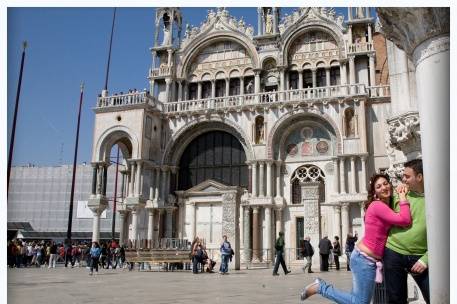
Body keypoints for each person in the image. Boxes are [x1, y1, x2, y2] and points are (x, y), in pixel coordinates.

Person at [300, 173, 411, 303]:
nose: (383, 187)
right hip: (364, 260)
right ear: (375, 192)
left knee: (355, 300)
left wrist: (403, 187)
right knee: (360, 302)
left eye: (386, 184)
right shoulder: (377, 205)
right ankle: (321, 287)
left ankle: (320, 286)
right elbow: (405, 219)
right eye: (379, 186)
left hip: (364, 259)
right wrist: (403, 197)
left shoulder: (385, 206)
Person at [384, 159, 429, 304]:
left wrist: (426, 258)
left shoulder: (437, 197)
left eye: (407, 176)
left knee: (434, 295)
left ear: (420, 177)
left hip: (420, 256)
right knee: (396, 300)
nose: (403, 179)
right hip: (393, 253)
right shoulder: (399, 193)